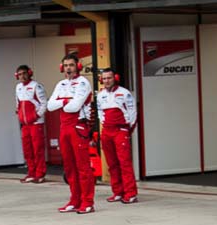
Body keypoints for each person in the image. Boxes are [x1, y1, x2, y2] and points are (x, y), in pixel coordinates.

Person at [47, 54, 95, 214]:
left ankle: (87, 202)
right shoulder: (60, 84)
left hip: (78, 127)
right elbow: (50, 105)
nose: (68, 68)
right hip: (64, 128)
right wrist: (66, 101)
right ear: (62, 68)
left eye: (71, 65)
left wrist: (63, 102)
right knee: (69, 167)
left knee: (83, 167)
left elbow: (75, 107)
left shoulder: (83, 83)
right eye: (66, 65)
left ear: (78, 66)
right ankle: (75, 200)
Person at [96, 68, 138, 204]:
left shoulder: (125, 93)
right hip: (106, 131)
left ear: (115, 78)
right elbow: (100, 113)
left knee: (124, 163)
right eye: (105, 78)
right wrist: (104, 124)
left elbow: (133, 113)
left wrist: (127, 130)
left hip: (121, 131)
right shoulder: (100, 95)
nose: (107, 81)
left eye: (109, 78)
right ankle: (118, 192)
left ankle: (130, 193)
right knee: (112, 164)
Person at [15, 64, 47, 183]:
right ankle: (31, 172)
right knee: (27, 149)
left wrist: (36, 116)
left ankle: (40, 174)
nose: (22, 76)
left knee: (37, 149)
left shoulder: (36, 86)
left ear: (29, 73)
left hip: (36, 123)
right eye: (19, 74)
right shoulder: (18, 87)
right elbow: (17, 104)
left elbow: (44, 104)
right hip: (25, 124)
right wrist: (20, 115)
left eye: (24, 73)